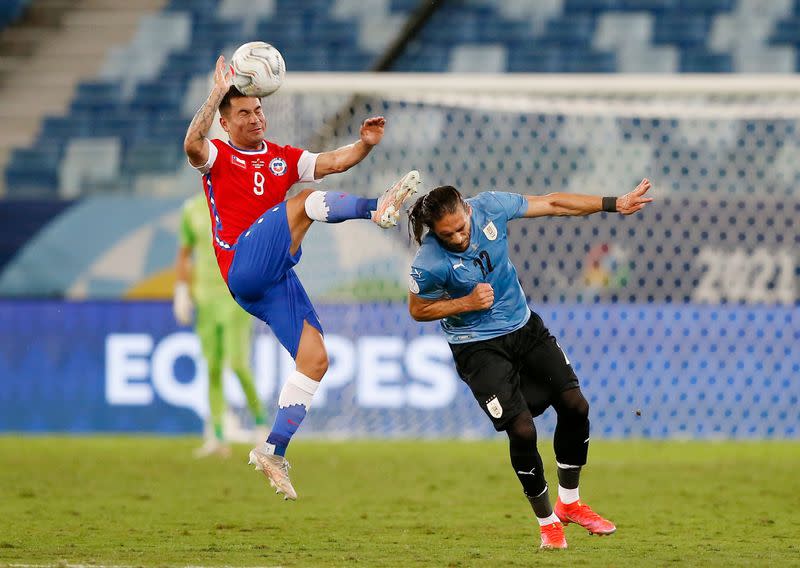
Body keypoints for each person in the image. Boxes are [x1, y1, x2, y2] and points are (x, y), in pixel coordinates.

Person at [184, 55, 420, 500]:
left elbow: (334, 160)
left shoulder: (282, 158)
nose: (255, 119)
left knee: (314, 358)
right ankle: (377, 207)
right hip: (241, 262)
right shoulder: (217, 154)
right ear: (226, 122)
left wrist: (365, 144)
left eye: (257, 110)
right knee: (304, 201)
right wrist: (218, 89)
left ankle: (272, 450)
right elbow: (192, 144)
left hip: (270, 279)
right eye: (243, 114)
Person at [406, 180, 652, 549]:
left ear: (468, 210)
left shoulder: (491, 206)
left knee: (575, 405)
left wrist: (614, 203)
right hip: (476, 347)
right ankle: (547, 522)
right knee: (521, 430)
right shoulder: (428, 263)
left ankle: (570, 503)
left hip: (524, 328)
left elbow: (553, 202)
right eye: (447, 234)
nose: (458, 237)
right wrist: (465, 303)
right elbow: (418, 310)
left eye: (461, 227)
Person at [174, 192, 267, 458]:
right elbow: (185, 253)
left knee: (237, 363)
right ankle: (216, 435)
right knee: (213, 367)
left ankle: (261, 423)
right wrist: (182, 289)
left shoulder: (237, 202)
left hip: (234, 295)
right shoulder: (190, 209)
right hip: (205, 299)